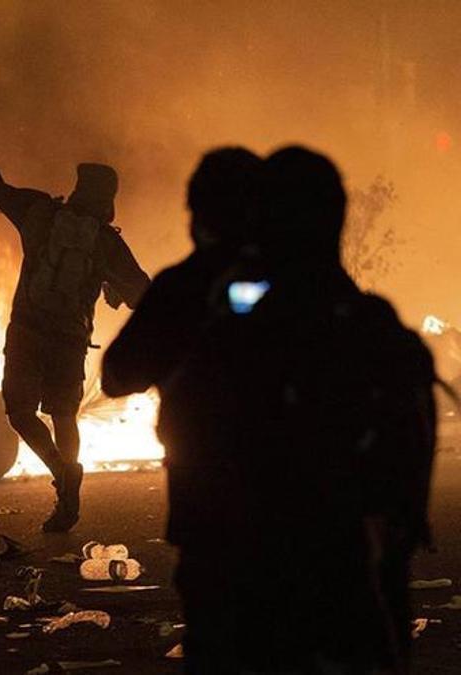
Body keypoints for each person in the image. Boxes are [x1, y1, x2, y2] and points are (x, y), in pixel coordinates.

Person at [159, 147, 436, 672]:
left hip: (255, 577)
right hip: (344, 574)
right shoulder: (373, 326)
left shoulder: (239, 327)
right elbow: (409, 474)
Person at [0, 103, 150, 532]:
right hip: (69, 339)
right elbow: (143, 295)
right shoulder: (108, 245)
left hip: (27, 331)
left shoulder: (40, 213)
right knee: (64, 415)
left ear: (76, 188)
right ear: (109, 200)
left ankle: (60, 471)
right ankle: (69, 486)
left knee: (19, 412)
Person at [102, 147, 262, 670]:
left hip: (206, 495)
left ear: (199, 214)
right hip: (296, 497)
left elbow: (118, 374)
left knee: (216, 632)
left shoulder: (183, 286)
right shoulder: (307, 282)